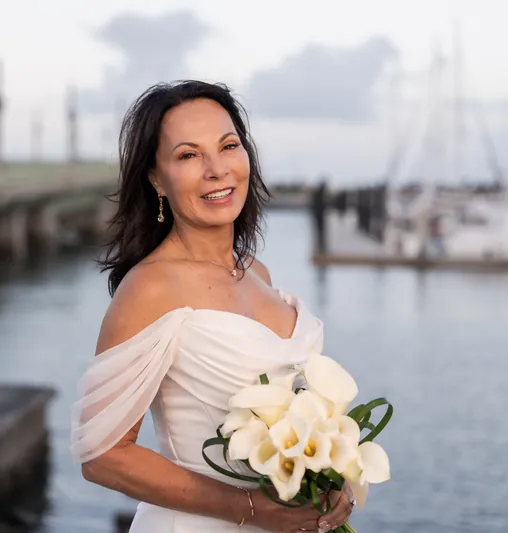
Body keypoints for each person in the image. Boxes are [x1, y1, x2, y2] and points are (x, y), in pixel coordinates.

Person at [70, 81, 355, 533]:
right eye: (188, 155)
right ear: (156, 177)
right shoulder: (150, 288)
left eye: (228, 146)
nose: (216, 169)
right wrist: (254, 509)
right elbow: (104, 455)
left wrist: (329, 479)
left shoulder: (257, 273)